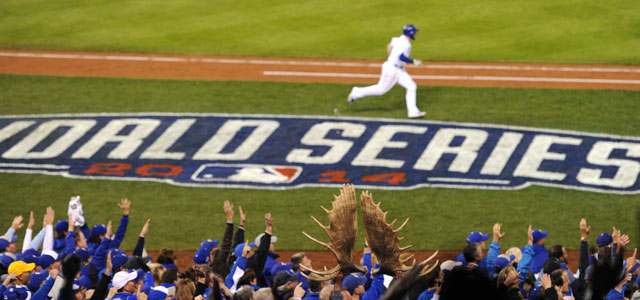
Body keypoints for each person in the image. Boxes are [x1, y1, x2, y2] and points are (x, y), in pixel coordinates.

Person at [347, 24, 426, 119]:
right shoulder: (406, 44)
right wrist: (413, 61)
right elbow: (401, 57)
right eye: (415, 33)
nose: (416, 35)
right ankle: (356, 92)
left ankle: (413, 111)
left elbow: (389, 46)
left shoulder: (397, 39)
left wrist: (390, 58)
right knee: (381, 90)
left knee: (411, 86)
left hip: (399, 69)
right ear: (411, 33)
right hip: (392, 70)